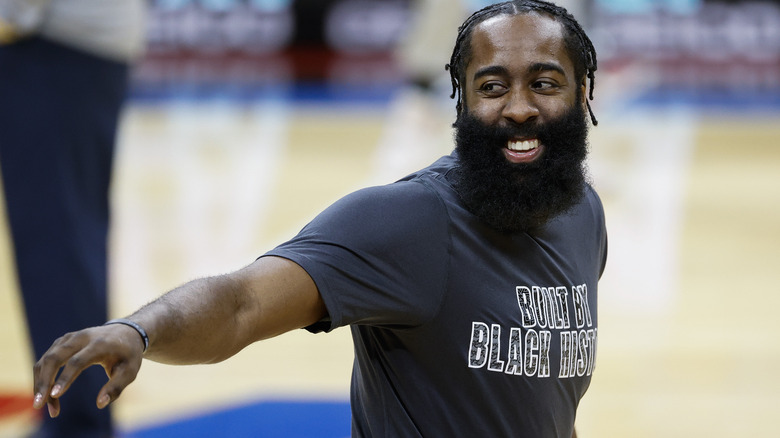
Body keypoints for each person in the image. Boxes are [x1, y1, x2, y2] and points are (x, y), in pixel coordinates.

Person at [31, 1, 606, 436]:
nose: (520, 106)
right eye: (492, 87)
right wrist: (139, 329)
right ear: (460, 102)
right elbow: (241, 303)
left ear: (584, 95)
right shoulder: (409, 224)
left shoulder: (581, 213)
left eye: (545, 84)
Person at [0, 0, 145, 437]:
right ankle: (78, 417)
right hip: (68, 41)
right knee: (67, 235)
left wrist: (12, 14)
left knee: (56, 241)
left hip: (51, 42)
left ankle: (75, 422)